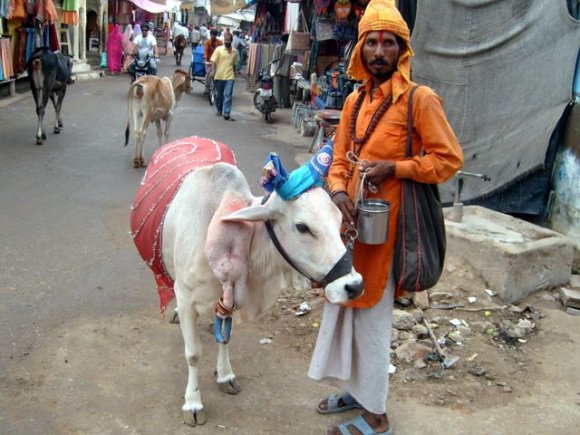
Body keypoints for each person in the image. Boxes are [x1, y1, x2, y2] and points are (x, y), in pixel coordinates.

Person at [308, 0, 464, 434]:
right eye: (372, 42)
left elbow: (447, 160)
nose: (379, 51)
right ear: (360, 50)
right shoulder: (355, 100)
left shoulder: (420, 100)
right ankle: (357, 393)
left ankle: (376, 418)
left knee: (372, 316)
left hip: (388, 232)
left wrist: (395, 168)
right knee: (345, 310)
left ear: (402, 51)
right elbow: (339, 159)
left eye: (388, 44)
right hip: (349, 229)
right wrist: (339, 192)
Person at [210, 32, 238, 121]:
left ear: (231, 41)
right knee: (218, 95)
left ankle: (226, 113)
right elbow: (214, 61)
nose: (227, 42)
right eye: (225, 40)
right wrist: (213, 71)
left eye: (228, 40)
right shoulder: (219, 50)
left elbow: (234, 64)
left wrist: (234, 73)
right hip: (219, 76)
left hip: (230, 76)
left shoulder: (235, 52)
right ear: (223, 40)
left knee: (228, 94)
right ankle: (219, 109)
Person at [271, 33, 293, 108]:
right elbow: (291, 62)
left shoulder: (278, 47)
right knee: (285, 89)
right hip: (286, 71)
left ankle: (278, 104)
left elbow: (274, 60)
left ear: (281, 39)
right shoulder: (290, 49)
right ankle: (286, 104)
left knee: (276, 89)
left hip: (277, 71)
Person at [203, 28, 223, 94]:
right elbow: (205, 51)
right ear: (210, 35)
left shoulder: (220, 43)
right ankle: (206, 87)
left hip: (217, 62)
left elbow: (222, 52)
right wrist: (205, 59)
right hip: (209, 61)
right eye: (212, 35)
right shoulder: (207, 42)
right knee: (208, 73)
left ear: (216, 35)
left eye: (214, 35)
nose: (213, 36)